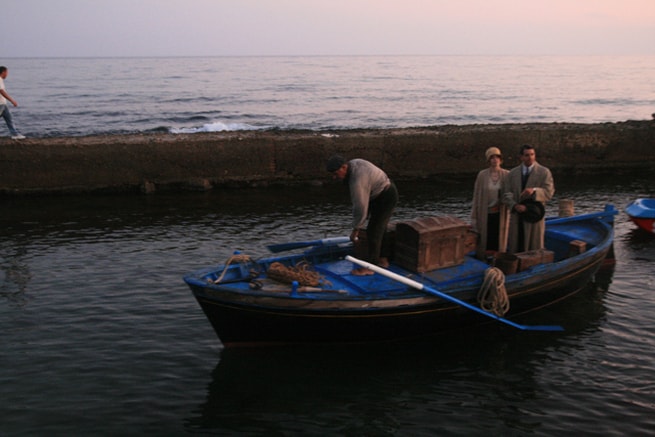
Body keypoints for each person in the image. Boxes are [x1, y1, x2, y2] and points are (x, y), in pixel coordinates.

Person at [327, 155, 399, 276]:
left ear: (344, 167)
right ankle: (383, 259)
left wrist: (356, 229)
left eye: (336, 173)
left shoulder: (357, 180)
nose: (335, 177)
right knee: (381, 227)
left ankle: (371, 267)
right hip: (377, 193)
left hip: (386, 196)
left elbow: (360, 207)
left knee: (373, 230)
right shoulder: (353, 164)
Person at [502, 144, 555, 253]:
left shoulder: (544, 172)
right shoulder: (512, 173)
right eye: (527, 155)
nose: (530, 157)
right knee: (516, 244)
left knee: (533, 245)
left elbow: (549, 193)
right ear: (521, 157)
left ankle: (534, 264)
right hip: (517, 215)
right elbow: (506, 193)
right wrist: (514, 205)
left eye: (532, 154)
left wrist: (534, 190)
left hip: (534, 215)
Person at [471, 147, 510, 259]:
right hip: (485, 213)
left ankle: (498, 259)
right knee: (485, 239)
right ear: (488, 160)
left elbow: (511, 194)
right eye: (492, 157)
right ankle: (484, 259)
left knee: (499, 239)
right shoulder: (482, 175)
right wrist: (474, 217)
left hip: (500, 213)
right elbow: (476, 196)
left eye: (497, 157)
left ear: (501, 159)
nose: (494, 160)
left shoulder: (507, 174)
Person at [0, 66, 25, 140]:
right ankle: (14, 134)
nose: (7, 74)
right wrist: (12, 100)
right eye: (7, 72)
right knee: (9, 119)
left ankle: (14, 134)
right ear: (3, 72)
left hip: (3, 104)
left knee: (9, 119)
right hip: (0, 104)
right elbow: (1, 91)